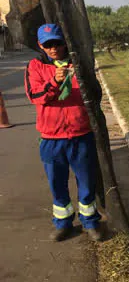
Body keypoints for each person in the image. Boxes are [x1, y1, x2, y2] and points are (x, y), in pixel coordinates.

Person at [24, 24, 103, 242]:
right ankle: (63, 223)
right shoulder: (35, 66)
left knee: (87, 181)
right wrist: (55, 82)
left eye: (57, 43)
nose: (54, 48)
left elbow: (94, 92)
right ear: (40, 45)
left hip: (80, 134)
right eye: (48, 44)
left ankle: (90, 222)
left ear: (64, 42)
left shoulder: (77, 63)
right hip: (51, 137)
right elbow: (36, 96)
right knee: (57, 184)